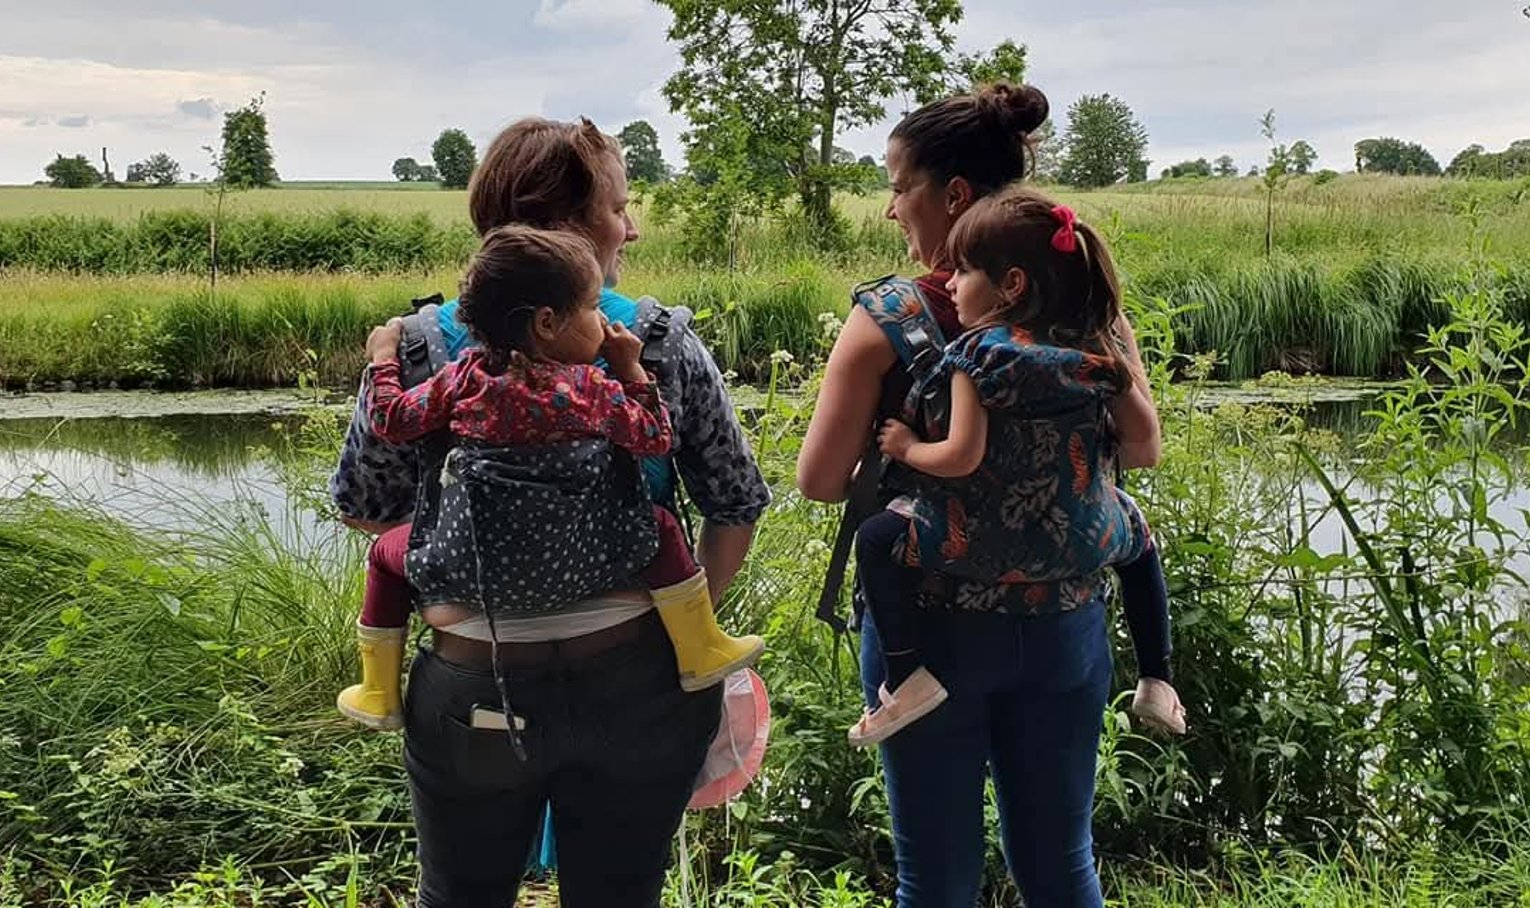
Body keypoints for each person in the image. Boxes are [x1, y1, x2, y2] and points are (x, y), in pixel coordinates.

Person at [329, 116, 769, 908]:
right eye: (618, 207)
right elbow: (735, 501)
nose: (630, 227)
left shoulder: (425, 348)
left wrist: (473, 552)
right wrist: (684, 626)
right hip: (640, 684)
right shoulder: (655, 342)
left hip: (473, 687)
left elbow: (365, 506)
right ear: (562, 222)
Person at [796, 83, 1164, 907]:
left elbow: (819, 483)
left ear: (953, 194)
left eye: (898, 185)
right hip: (1065, 620)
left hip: (929, 631)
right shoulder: (1088, 314)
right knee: (1063, 867)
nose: (893, 210)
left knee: (937, 880)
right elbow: (1138, 448)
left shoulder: (889, 314)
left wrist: (903, 446)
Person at [335, 225, 763, 731]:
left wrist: (384, 358)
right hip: (589, 563)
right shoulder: (588, 389)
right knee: (662, 526)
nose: (603, 319)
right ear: (546, 322)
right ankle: (701, 645)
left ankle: (379, 688)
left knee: (385, 560)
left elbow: (392, 420)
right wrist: (631, 367)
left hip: (475, 574)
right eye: (590, 308)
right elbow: (655, 436)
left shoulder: (459, 379)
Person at [847, 188, 1183, 747]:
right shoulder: (1097, 349)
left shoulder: (978, 355)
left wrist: (905, 447)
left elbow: (961, 457)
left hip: (972, 546)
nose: (949, 282)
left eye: (964, 271)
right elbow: (1145, 450)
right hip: (1081, 541)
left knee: (877, 539)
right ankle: (1156, 678)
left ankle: (905, 678)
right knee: (1141, 543)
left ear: (1013, 285)